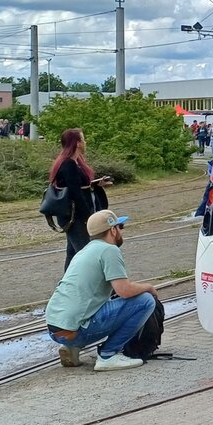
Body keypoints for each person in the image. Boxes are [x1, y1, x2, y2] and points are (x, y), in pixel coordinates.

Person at [46, 209, 157, 371]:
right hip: (75, 331)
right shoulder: (110, 250)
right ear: (112, 230)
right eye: (120, 227)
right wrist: (149, 287)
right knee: (145, 300)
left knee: (99, 302)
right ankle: (108, 355)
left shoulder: (84, 251)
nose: (121, 231)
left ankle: (72, 347)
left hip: (55, 328)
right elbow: (124, 290)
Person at [48, 128, 113, 270]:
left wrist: (96, 184)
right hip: (75, 216)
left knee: (72, 253)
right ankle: (101, 287)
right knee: (86, 254)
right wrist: (88, 217)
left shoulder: (74, 162)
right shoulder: (68, 164)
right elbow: (75, 193)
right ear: (77, 143)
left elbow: (78, 186)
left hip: (73, 215)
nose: (85, 142)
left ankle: (66, 286)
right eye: (83, 139)